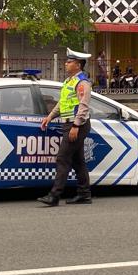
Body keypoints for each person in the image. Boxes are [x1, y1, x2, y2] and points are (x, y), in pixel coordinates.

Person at [38, 49, 94, 207]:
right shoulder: (69, 81)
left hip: (77, 125)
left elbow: (83, 106)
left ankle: (54, 195)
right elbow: (62, 103)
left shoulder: (82, 83)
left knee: (62, 159)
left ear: (78, 65)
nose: (66, 63)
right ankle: (84, 194)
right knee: (78, 161)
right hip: (69, 124)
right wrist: (50, 117)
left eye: (69, 62)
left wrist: (76, 125)